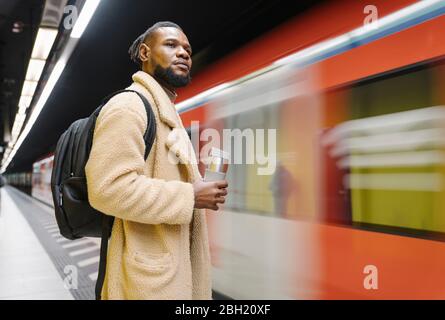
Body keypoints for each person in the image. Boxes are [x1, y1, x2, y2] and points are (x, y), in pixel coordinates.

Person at [85, 21, 228, 300]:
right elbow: (107, 189)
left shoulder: (164, 113)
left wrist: (201, 189)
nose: (184, 53)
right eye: (171, 45)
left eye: (187, 48)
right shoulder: (129, 107)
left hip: (169, 275)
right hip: (146, 282)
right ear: (144, 53)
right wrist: (190, 195)